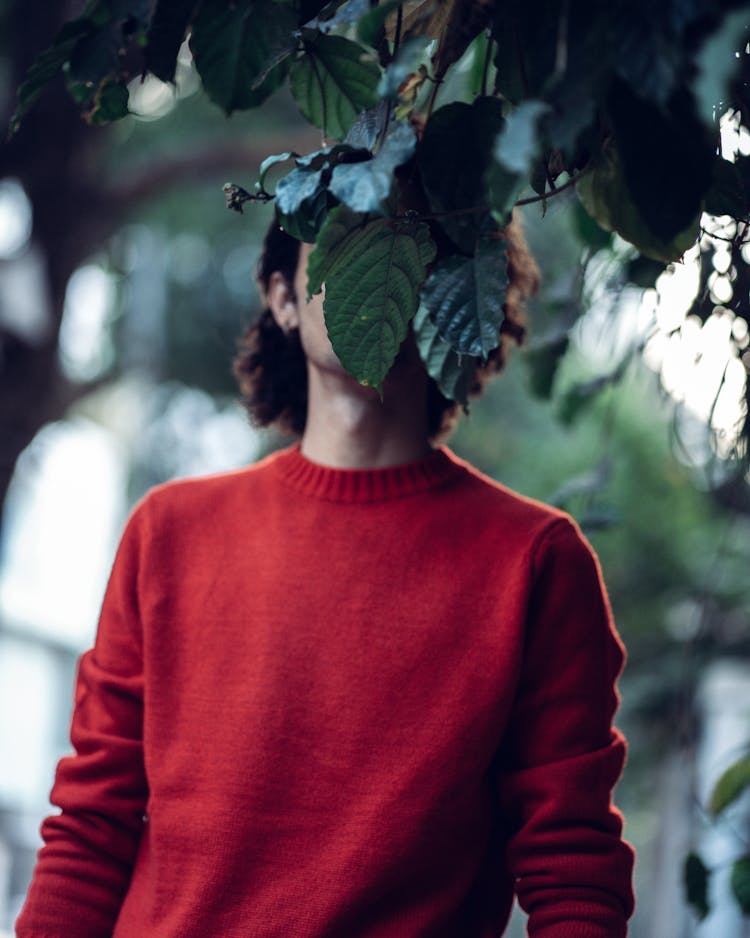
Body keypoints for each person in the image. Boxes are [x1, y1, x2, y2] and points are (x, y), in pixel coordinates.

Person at [16, 214, 635, 937]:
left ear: (456, 297)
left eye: (416, 247)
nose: (379, 268)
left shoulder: (536, 562)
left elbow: (572, 867)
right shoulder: (169, 533)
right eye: (346, 239)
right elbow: (92, 827)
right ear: (283, 296)